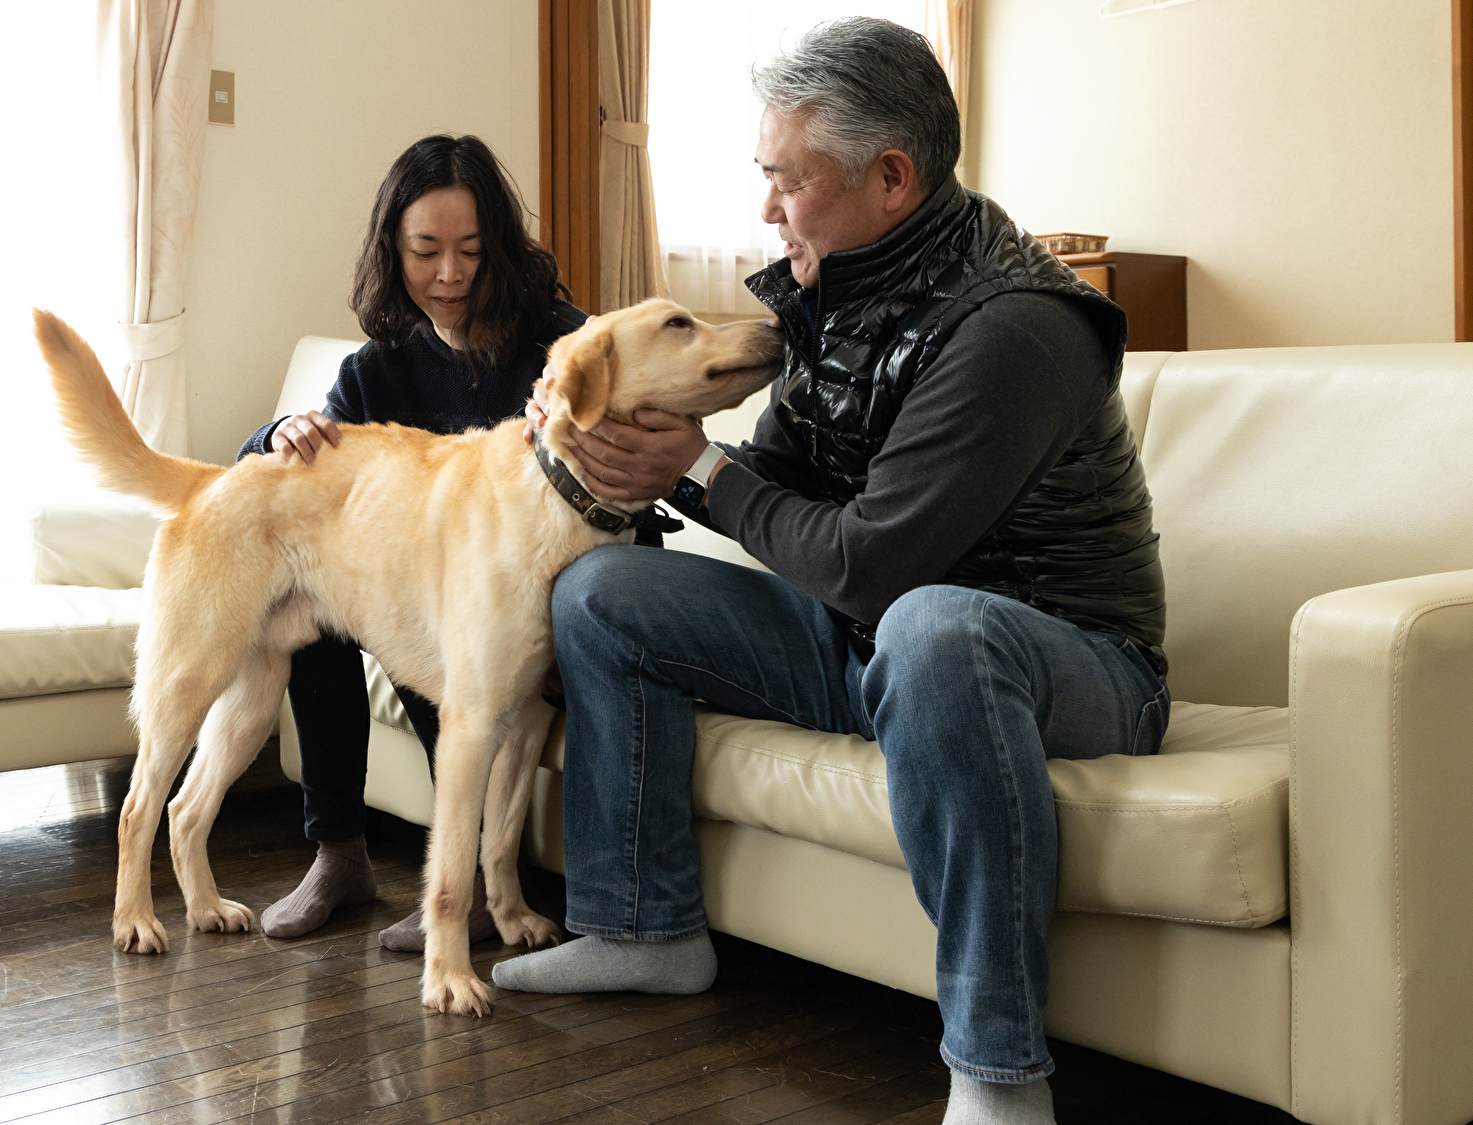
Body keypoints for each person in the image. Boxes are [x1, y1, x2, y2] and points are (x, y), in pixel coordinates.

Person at [494, 19, 1166, 1125]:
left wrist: (698, 469)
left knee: (935, 627)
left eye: (782, 180)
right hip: (879, 647)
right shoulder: (845, 298)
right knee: (603, 594)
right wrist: (620, 456)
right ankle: (638, 929)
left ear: (888, 177)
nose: (765, 207)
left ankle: (998, 1076)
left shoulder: (1012, 325)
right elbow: (768, 482)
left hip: (1067, 664)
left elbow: (869, 567)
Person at [238, 133, 587, 950]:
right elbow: (297, 479)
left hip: (535, 611)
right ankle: (339, 851)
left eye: (471, 250)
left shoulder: (560, 347)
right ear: (393, 252)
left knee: (456, 635)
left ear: (500, 247)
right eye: (425, 251)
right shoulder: (379, 370)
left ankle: (463, 883)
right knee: (316, 598)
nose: (450, 274)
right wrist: (275, 432)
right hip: (433, 609)